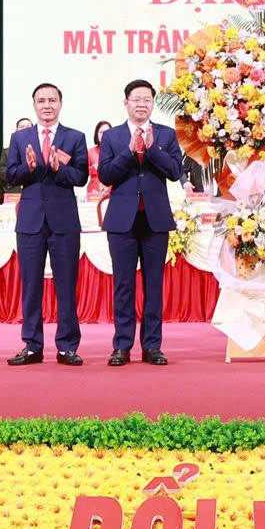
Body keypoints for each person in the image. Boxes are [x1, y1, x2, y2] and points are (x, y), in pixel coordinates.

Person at [98, 79, 183, 366]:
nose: (142, 104)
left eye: (147, 99)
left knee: (154, 286)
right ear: (126, 103)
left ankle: (152, 347)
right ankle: (122, 346)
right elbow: (106, 175)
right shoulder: (112, 137)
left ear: (152, 103)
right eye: (136, 99)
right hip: (122, 221)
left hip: (155, 220)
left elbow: (175, 172)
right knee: (123, 285)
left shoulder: (166, 135)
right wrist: (129, 151)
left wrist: (152, 149)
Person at [5, 83, 89, 366]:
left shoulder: (74, 137)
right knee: (31, 286)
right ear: (34, 105)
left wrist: (58, 168)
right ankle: (32, 345)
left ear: (60, 104)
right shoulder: (20, 138)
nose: (47, 105)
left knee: (66, 285)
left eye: (52, 100)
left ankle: (67, 346)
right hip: (30, 221)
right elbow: (11, 176)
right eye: (41, 101)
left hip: (64, 221)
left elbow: (81, 177)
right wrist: (28, 168)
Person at [85, 120, 114, 197]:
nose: (104, 135)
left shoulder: (116, 152)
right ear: (96, 134)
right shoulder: (90, 152)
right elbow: (83, 172)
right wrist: (93, 167)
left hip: (113, 192)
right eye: (101, 132)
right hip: (94, 192)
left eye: (107, 132)